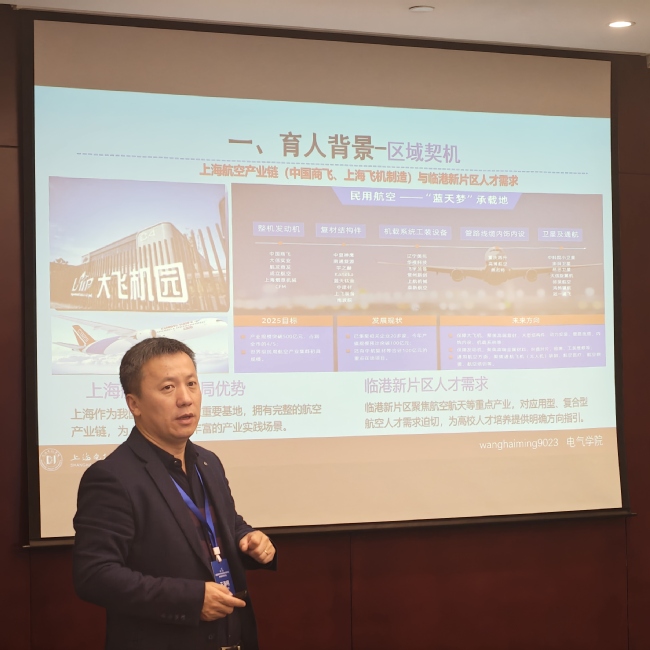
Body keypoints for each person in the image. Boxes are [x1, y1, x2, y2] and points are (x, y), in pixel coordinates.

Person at [73, 337, 276, 650]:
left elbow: (223, 525)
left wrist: (247, 538)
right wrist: (190, 600)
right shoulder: (112, 477)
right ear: (134, 404)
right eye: (168, 387)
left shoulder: (208, 462)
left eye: (191, 384)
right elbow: (94, 575)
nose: (185, 399)